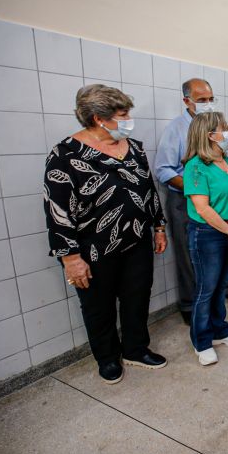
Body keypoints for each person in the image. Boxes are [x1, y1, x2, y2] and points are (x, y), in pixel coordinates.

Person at [44, 84, 167, 384]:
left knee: (137, 298)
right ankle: (108, 358)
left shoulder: (134, 147)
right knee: (98, 307)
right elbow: (57, 210)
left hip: (137, 240)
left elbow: (148, 190)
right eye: (123, 114)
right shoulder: (64, 155)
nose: (128, 120)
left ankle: (136, 349)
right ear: (99, 118)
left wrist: (158, 226)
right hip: (93, 248)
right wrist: (70, 258)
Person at [154, 78, 228, 328]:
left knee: (227, 245)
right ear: (187, 101)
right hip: (187, 201)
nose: (207, 104)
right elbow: (163, 169)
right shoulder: (176, 129)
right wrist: (198, 191)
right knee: (189, 253)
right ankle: (188, 304)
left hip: (220, 197)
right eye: (201, 100)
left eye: (210, 99)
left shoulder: (218, 127)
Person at [182, 112, 228, 366]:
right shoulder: (196, 166)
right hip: (208, 233)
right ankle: (202, 340)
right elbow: (202, 208)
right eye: (224, 128)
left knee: (221, 285)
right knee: (206, 289)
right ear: (210, 135)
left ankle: (220, 329)